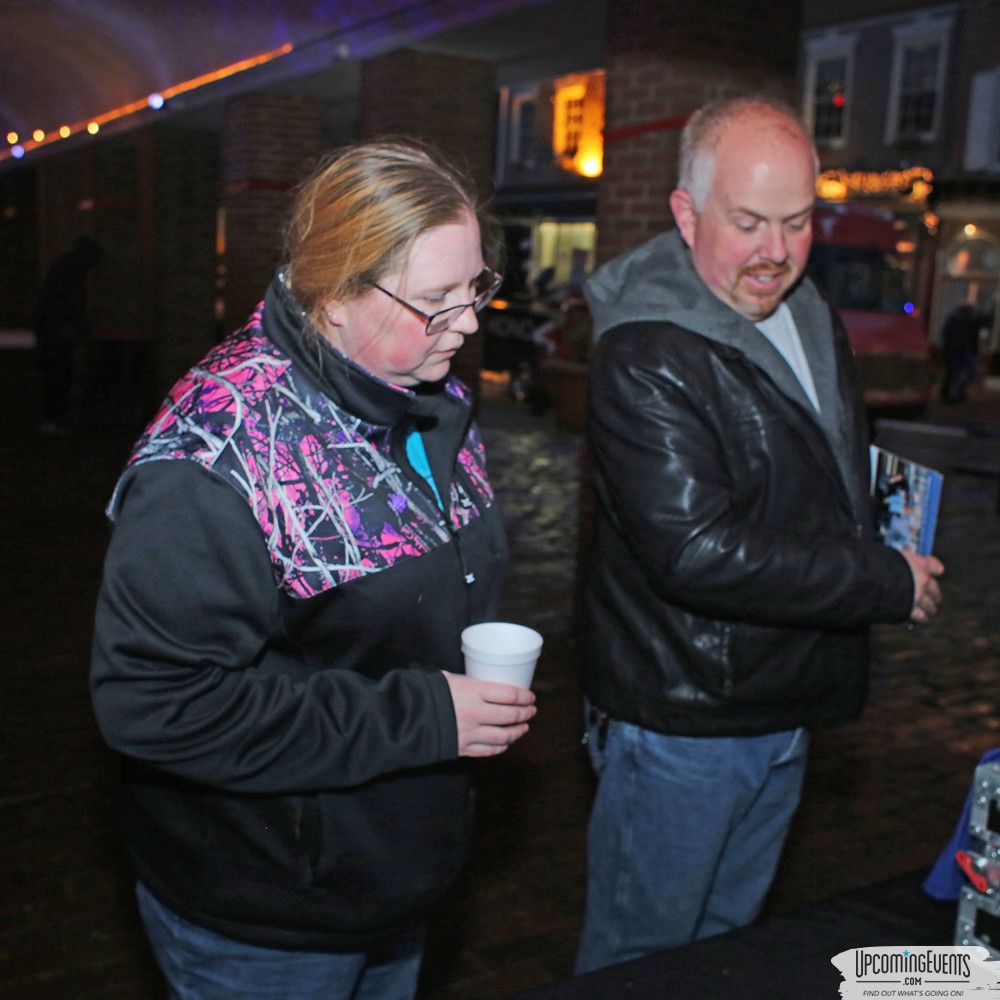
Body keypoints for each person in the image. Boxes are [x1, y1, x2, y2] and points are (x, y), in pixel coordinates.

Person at [90, 138, 537, 1000]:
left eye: (476, 287)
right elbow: (154, 705)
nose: (471, 322)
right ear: (333, 295)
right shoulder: (214, 455)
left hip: (393, 868)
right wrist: (424, 716)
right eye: (436, 299)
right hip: (268, 908)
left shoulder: (425, 393)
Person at [575, 95, 944, 973]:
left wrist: (885, 509)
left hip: (784, 695)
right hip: (686, 718)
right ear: (685, 213)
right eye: (747, 223)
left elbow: (812, 458)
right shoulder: (646, 351)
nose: (776, 251)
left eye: (797, 221)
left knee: (732, 952)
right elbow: (694, 550)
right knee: (643, 962)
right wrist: (884, 579)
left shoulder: (806, 310)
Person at [34, 234, 103, 432]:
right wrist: (70, 326)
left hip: (54, 330)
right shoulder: (71, 270)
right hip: (56, 332)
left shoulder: (66, 267)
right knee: (56, 375)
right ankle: (53, 418)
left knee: (56, 375)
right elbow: (68, 302)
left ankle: (53, 418)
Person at [940, 302, 981, 404]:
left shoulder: (967, 322)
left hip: (962, 352)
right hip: (956, 352)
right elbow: (950, 337)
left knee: (961, 372)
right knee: (955, 373)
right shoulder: (956, 322)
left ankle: (955, 393)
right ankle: (952, 394)